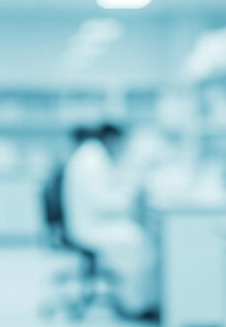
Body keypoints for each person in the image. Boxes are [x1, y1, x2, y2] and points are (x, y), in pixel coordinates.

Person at [63, 123, 158, 320]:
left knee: (134, 236)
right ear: (112, 139)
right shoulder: (92, 158)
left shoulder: (91, 154)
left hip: (88, 223)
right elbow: (102, 201)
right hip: (89, 228)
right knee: (137, 239)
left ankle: (128, 297)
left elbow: (105, 190)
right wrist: (130, 197)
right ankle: (134, 305)